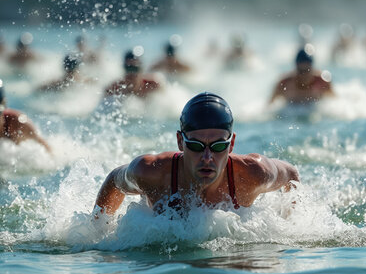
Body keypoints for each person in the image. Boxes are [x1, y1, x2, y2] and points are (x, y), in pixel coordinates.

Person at [93, 92, 300, 216]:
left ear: (232, 143)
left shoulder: (253, 173)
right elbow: (114, 180)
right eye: (197, 145)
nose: (208, 157)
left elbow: (291, 174)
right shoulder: (150, 172)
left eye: (219, 146)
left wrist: (289, 222)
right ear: (180, 142)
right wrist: (99, 232)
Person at [268, 49, 335, 108]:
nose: (304, 74)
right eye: (301, 71)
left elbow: (336, 103)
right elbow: (269, 107)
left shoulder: (322, 82)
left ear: (312, 69)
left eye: (307, 70)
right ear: (295, 69)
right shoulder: (284, 84)